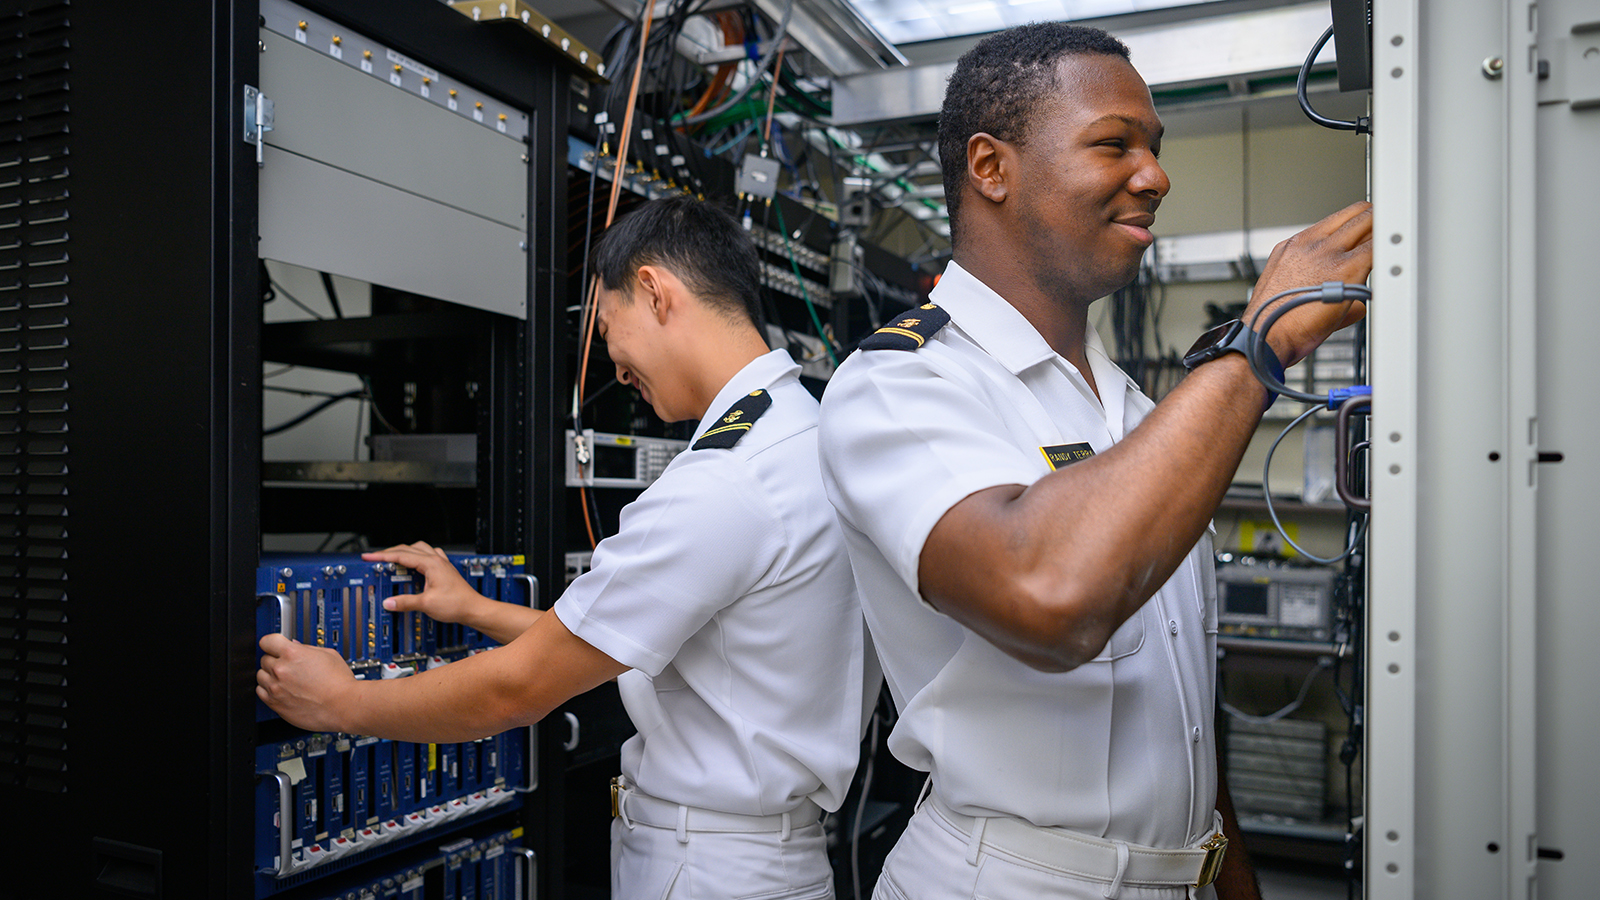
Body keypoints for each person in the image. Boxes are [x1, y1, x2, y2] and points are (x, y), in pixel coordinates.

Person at [816, 22, 1372, 900]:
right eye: (1114, 144)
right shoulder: (898, 385)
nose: (1155, 177)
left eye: (1155, 148)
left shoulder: (1138, 415)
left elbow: (1180, 711)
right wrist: (1255, 347)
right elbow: (1049, 595)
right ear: (990, 168)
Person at [259, 196, 874, 900]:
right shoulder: (805, 433)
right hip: (773, 857)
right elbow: (650, 649)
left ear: (654, 291)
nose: (616, 368)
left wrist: (342, 701)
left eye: (606, 328)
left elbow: (517, 688)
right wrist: (475, 609)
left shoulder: (728, 479)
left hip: (709, 869)